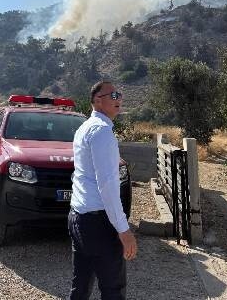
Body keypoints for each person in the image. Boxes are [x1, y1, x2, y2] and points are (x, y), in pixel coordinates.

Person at [68, 80, 137, 300]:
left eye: (119, 95)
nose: (119, 99)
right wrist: (123, 230)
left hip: (78, 217)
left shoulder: (84, 128)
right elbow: (107, 186)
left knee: (81, 285)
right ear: (98, 100)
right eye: (113, 95)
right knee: (112, 289)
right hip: (98, 222)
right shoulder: (101, 132)